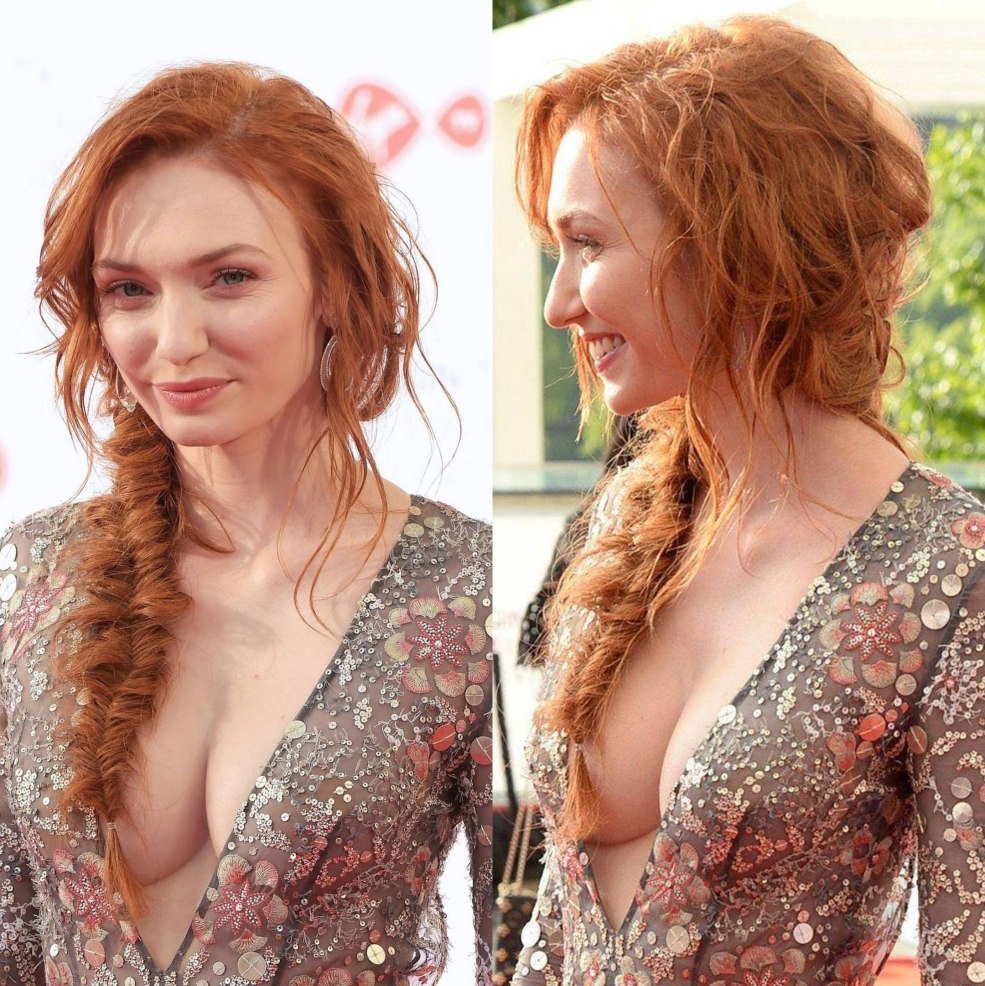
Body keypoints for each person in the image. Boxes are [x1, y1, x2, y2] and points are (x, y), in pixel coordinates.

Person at [509, 16, 985, 986]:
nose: (558, 303)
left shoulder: (950, 573)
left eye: (586, 244)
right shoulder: (626, 524)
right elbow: (556, 921)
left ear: (730, 245)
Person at [0, 63, 492, 986]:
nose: (174, 341)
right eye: (129, 290)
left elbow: (533, 941)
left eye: (228, 279)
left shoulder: (463, 591)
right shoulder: (33, 573)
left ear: (335, 287)